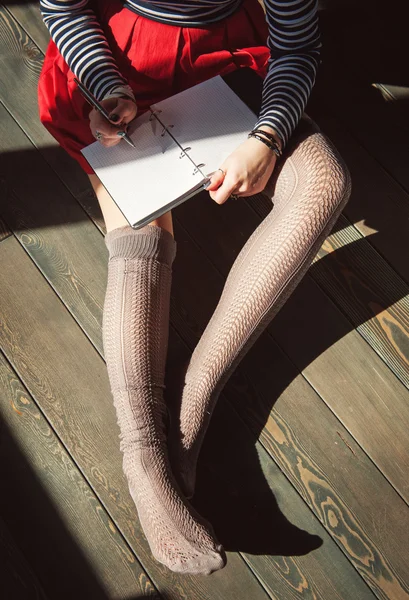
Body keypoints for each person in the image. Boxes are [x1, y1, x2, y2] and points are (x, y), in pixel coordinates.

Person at [38, 0, 348, 576]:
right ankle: (142, 451)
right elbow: (64, 8)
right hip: (115, 63)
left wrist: (269, 137)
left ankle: (192, 401)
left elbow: (298, 44)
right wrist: (104, 86)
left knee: (324, 185)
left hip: (226, 61)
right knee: (140, 224)